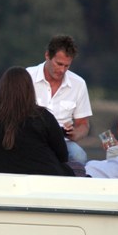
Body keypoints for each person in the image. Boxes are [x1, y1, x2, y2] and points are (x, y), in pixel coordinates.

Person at [0, 66, 75, 176]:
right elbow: (62, 156)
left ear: (2, 89)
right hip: (41, 177)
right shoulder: (44, 117)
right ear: (29, 89)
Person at [27, 35, 92, 164]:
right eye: (59, 64)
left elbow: (83, 124)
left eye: (67, 66)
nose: (62, 70)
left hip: (63, 142)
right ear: (47, 55)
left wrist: (75, 134)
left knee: (80, 157)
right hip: (30, 138)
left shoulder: (78, 83)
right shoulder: (27, 76)